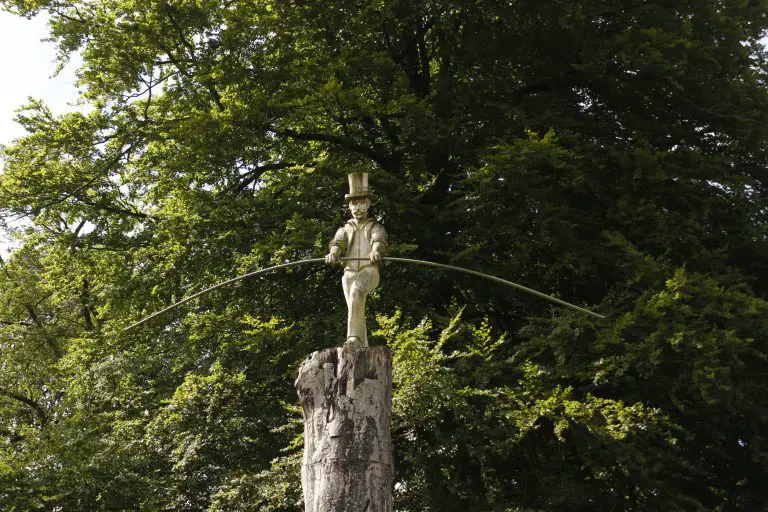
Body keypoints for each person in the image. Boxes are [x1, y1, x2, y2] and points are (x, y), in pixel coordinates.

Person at [325, 172, 388, 347]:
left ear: (368, 204)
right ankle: (362, 346)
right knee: (355, 306)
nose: (358, 207)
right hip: (349, 273)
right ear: (350, 207)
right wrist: (333, 254)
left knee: (357, 292)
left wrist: (376, 251)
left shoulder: (374, 226)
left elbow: (378, 240)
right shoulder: (345, 228)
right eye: (354, 203)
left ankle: (353, 339)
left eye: (361, 202)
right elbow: (337, 244)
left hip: (369, 270)